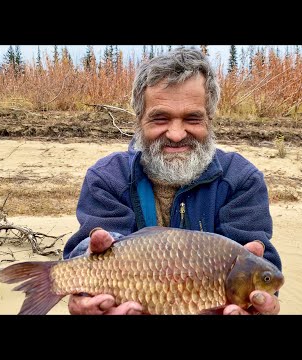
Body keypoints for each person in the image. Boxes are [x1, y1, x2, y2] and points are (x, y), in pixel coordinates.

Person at [62, 47, 282, 315]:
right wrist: (84, 283)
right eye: (160, 118)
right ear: (139, 120)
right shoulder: (107, 177)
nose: (176, 134)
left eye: (192, 118)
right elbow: (87, 245)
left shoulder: (242, 180)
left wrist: (261, 302)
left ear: (209, 119)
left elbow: (262, 267)